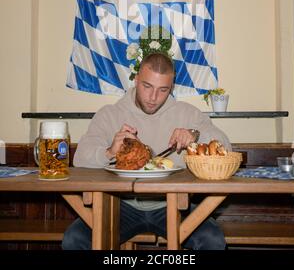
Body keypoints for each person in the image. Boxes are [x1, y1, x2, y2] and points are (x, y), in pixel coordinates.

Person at [62, 53, 231, 250]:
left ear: (172, 88)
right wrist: (110, 152)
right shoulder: (110, 114)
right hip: (120, 207)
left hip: (175, 206)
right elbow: (80, 158)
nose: (153, 98)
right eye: (147, 86)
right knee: (74, 240)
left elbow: (226, 148)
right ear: (136, 80)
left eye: (163, 90)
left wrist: (195, 135)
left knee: (213, 240)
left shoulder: (187, 114)